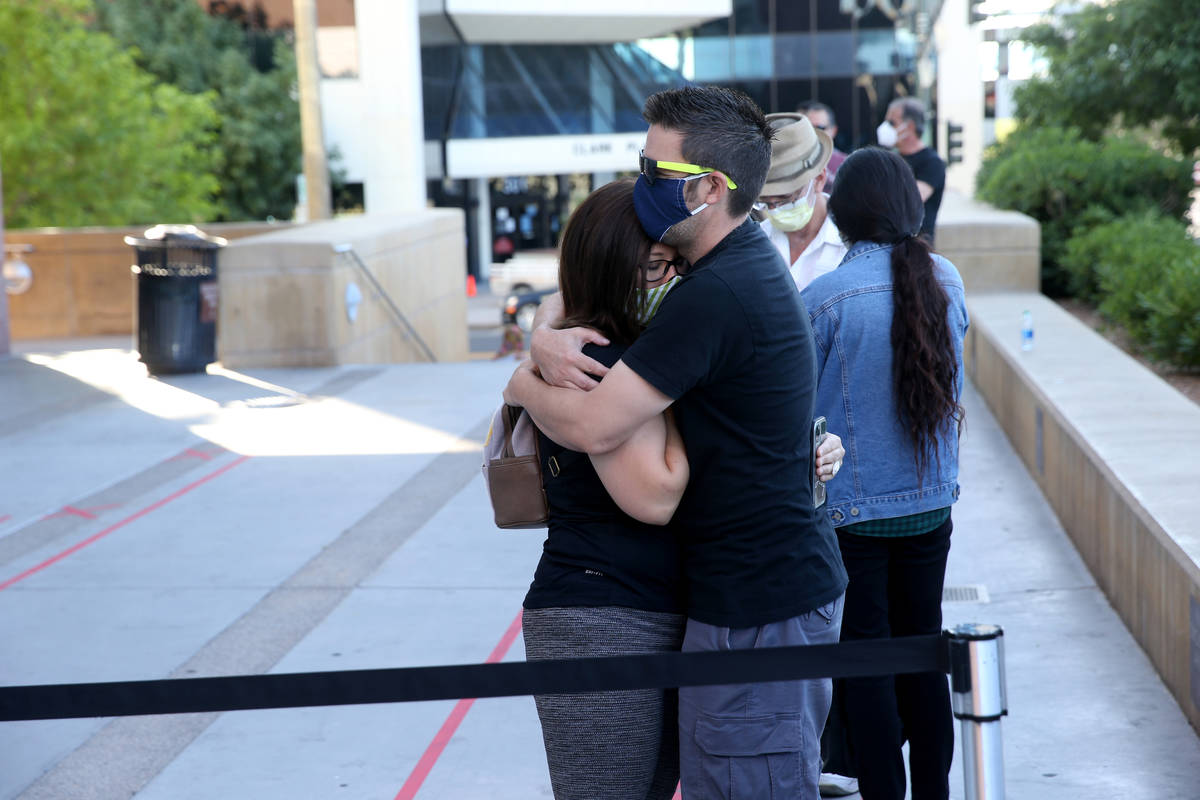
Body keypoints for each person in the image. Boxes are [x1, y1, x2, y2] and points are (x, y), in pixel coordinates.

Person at [505, 85, 848, 800]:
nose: (642, 188)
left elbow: (598, 426)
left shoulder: (714, 294)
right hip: (751, 599)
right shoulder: (736, 265)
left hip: (758, 607)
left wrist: (522, 385)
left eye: (655, 173)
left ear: (707, 191)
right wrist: (541, 335)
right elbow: (587, 285)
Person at [800, 147, 968, 800]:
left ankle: (882, 792)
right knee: (924, 653)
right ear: (911, 206)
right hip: (931, 507)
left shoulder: (822, 299)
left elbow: (795, 413)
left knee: (865, 662)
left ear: (841, 214)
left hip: (851, 517)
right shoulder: (946, 280)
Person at [519, 179, 691, 800]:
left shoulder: (583, 340)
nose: (665, 281)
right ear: (609, 268)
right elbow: (654, 497)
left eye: (673, 265)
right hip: (599, 616)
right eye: (650, 268)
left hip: (644, 608)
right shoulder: (593, 361)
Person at [756, 112, 847, 291]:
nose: (775, 210)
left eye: (786, 199)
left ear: (819, 180)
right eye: (765, 203)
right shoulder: (757, 242)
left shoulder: (850, 243)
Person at [877, 97, 945, 243]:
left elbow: (910, 201)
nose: (885, 128)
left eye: (892, 123)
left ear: (910, 126)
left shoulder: (932, 162)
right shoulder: (890, 159)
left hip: (917, 250)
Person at [797, 100, 847, 184]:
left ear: (833, 131)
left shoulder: (846, 163)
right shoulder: (796, 161)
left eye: (819, 127)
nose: (813, 132)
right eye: (809, 127)